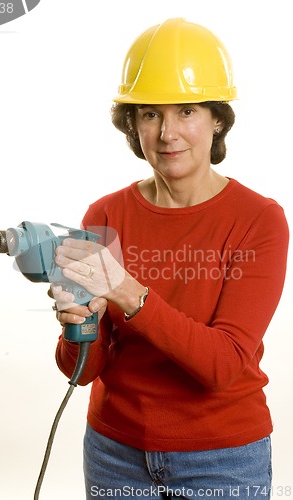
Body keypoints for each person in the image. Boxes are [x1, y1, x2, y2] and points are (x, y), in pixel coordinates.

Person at [51, 18, 289, 499]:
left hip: (222, 458)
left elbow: (223, 365)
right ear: (132, 124)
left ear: (217, 118)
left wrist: (126, 291)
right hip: (114, 452)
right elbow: (83, 370)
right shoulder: (105, 213)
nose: (167, 133)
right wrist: (77, 323)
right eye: (150, 114)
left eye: (187, 111)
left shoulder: (259, 220)